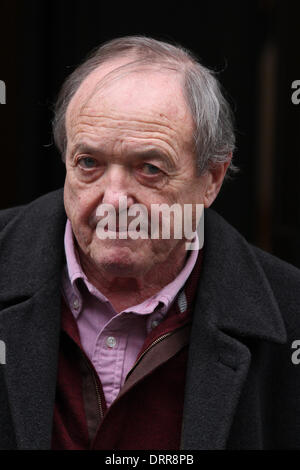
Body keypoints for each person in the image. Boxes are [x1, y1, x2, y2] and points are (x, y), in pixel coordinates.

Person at [0, 35, 300, 451]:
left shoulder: (290, 315)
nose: (115, 200)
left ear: (212, 178)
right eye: (89, 163)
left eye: (150, 169)